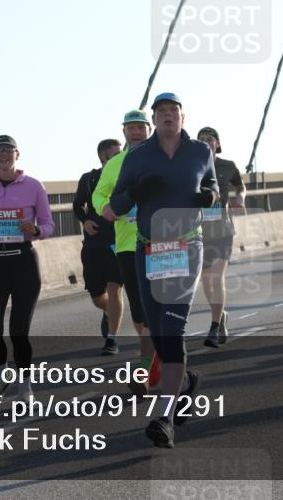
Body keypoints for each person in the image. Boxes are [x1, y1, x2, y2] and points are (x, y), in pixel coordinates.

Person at [103, 92, 219, 448]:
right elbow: (115, 208)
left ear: (183, 117)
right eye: (162, 111)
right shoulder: (137, 156)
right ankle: (183, 385)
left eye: (174, 111)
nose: (168, 116)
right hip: (149, 249)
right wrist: (136, 190)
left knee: (172, 329)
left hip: (187, 246)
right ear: (154, 119)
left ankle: (165, 417)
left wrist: (208, 197)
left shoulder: (201, 152)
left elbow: (212, 186)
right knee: (155, 329)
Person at [0, 135, 54, 401]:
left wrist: (36, 229)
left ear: (17, 154)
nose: (4, 155)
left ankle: (25, 385)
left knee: (19, 330)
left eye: (8, 150)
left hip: (24, 262)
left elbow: (49, 225)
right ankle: (2, 373)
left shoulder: (33, 186)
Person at [92, 110, 160, 390]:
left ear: (149, 129)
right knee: (140, 313)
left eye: (140, 127)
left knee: (160, 307)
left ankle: (147, 370)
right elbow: (99, 193)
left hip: (161, 243)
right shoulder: (116, 163)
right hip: (127, 245)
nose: (136, 133)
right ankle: (154, 365)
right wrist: (104, 208)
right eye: (131, 128)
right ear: (124, 132)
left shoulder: (163, 158)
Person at [73, 138, 124, 355]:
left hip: (118, 243)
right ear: (103, 158)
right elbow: (77, 205)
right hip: (93, 245)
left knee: (114, 290)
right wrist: (85, 221)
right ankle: (108, 312)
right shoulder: (88, 179)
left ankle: (111, 340)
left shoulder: (126, 178)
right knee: (97, 297)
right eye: (115, 155)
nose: (121, 157)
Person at [197, 126, 245, 346]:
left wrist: (240, 198)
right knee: (206, 281)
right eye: (202, 139)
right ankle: (220, 314)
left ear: (217, 143)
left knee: (217, 277)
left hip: (223, 230)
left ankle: (214, 327)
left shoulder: (228, 166)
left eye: (210, 139)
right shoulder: (190, 166)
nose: (206, 141)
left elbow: (240, 186)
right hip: (198, 230)